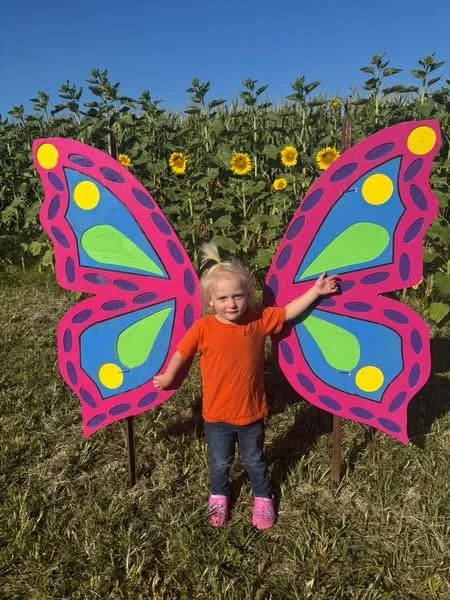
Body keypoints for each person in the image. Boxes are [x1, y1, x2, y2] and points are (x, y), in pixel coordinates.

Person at [153, 243, 338, 530]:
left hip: (251, 413)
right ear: (211, 302)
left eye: (238, 296)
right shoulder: (203, 328)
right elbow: (181, 352)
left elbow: (288, 312)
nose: (232, 304)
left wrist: (316, 291)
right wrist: (167, 377)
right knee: (219, 463)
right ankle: (219, 496)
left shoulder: (258, 320)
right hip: (215, 416)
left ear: (248, 296)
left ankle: (263, 497)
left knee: (254, 460)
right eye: (223, 298)